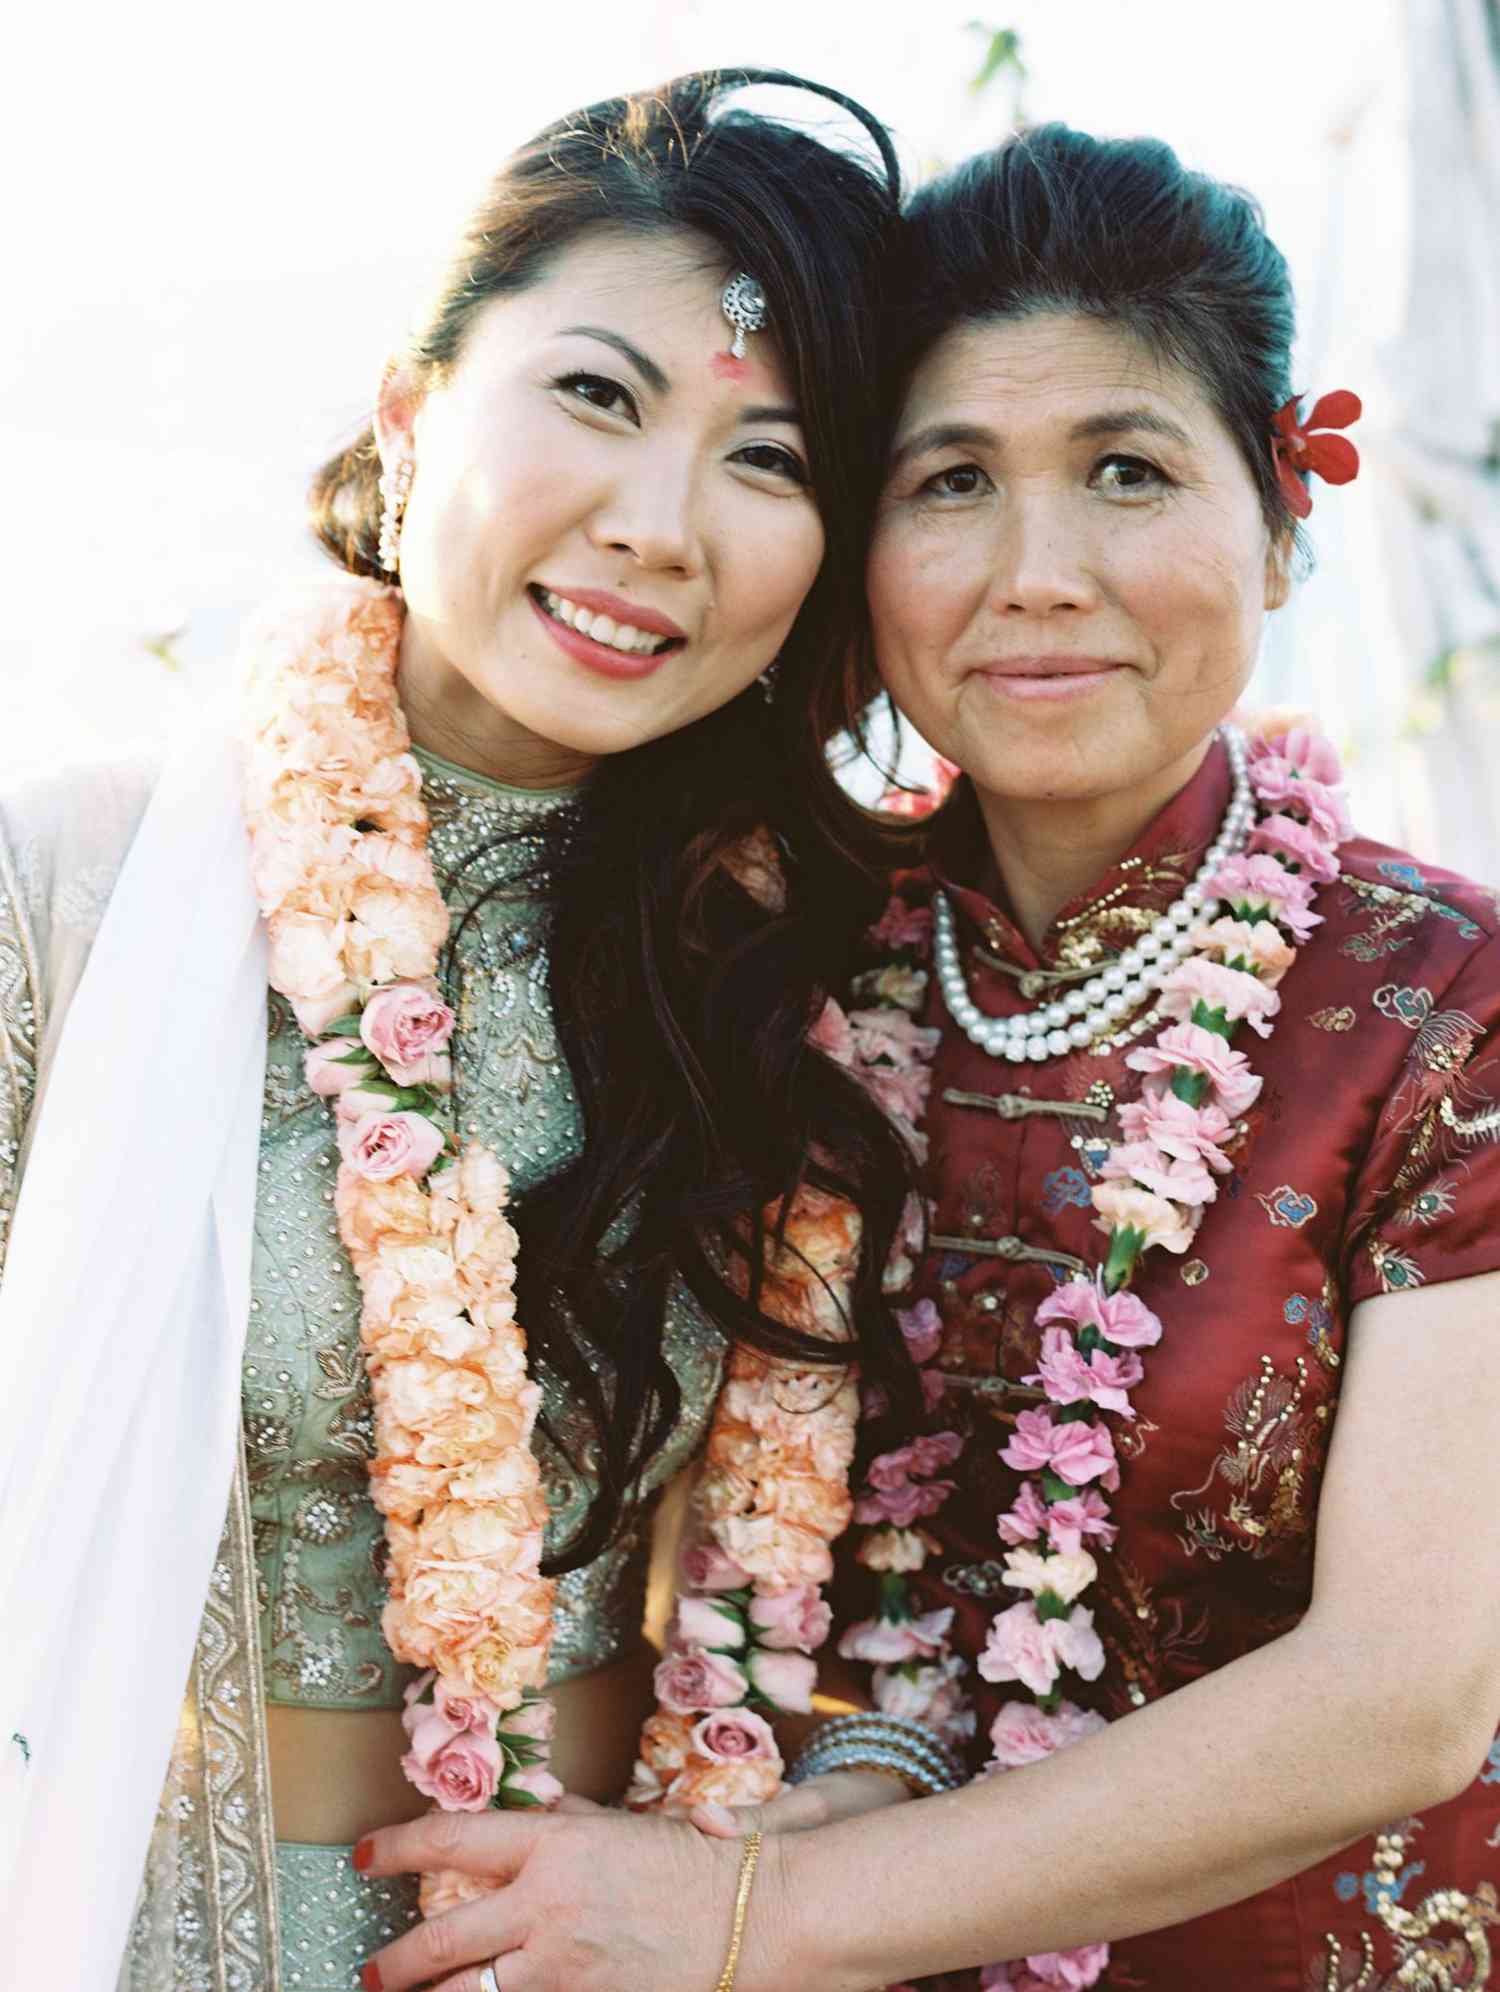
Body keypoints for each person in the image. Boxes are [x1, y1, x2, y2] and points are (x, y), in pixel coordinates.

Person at [349, 125, 1500, 1992]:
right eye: (950, 479)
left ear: (1286, 524)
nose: (1037, 574)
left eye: (1129, 470)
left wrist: (747, 1920)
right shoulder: (761, 953)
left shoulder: (1447, 1005)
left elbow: (1408, 1691)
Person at [0, 69, 922, 1991]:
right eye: (597, 394)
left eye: (769, 461)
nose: (656, 527)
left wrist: (781, 1863)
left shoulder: (808, 977)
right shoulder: (69, 899)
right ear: (411, 412)